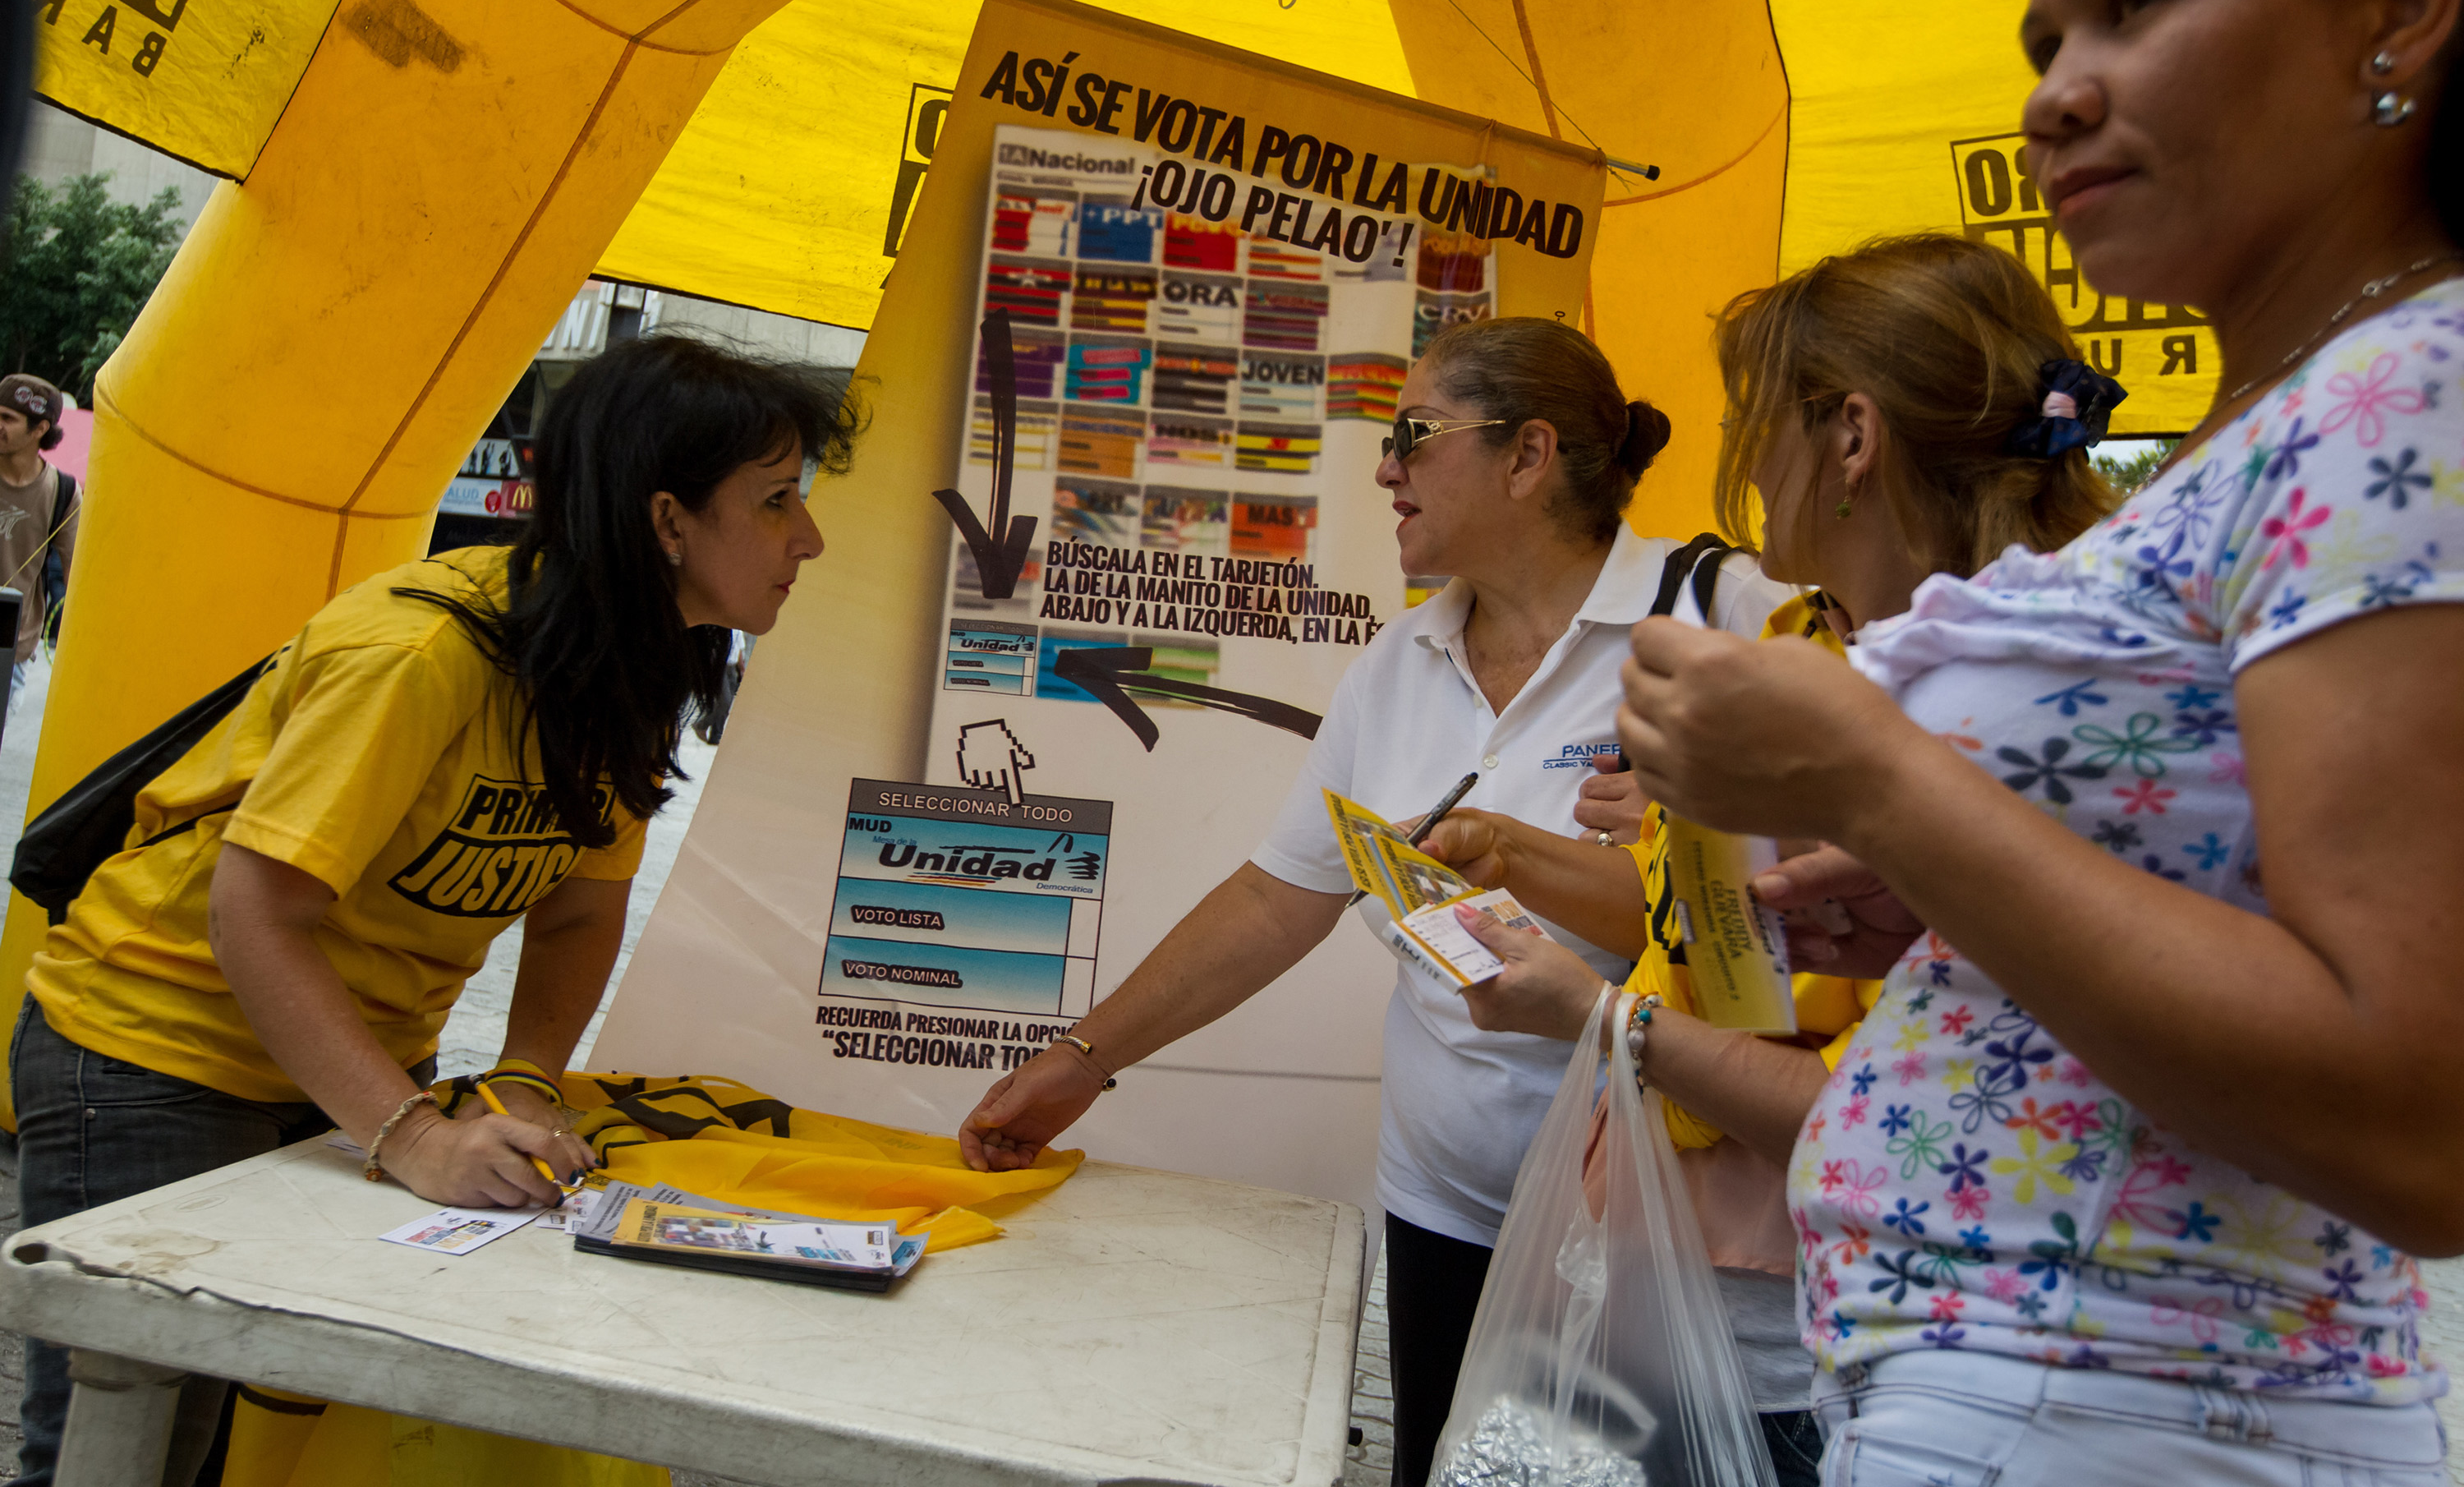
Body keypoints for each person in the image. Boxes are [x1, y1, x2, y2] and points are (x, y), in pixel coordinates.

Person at [1611, 0, 2462, 1479]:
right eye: (2043, 47)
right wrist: (1942, 898)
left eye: (2137, 4)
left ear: (2401, 7)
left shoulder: (2404, 392)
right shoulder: (2288, 412)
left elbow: (2415, 1120)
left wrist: (1879, 777)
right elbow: (2236, 894)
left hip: (2121, 1395)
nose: (2057, 99)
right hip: (2047, 1387)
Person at [10, 334, 861, 1487]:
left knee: (247, 1438)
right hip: (153, 1053)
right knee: (131, 1449)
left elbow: (575, 915)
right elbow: (255, 916)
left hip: (337, 1075)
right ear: (668, 521)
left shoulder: (629, 664)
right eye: (774, 501)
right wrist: (410, 1135)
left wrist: (523, 1079)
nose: (806, 536)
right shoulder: (417, 654)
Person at [956, 315, 1793, 1487]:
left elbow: (1811, 925)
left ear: (1526, 454)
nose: (1384, 468)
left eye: (1412, 434)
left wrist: (1614, 853)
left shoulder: (1728, 619)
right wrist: (1083, 1058)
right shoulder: (1399, 663)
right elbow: (1274, 899)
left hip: (1670, 1243)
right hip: (1449, 1213)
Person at [1416, 234, 2118, 1485]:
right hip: (1654, 1258)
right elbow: (1739, 947)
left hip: (1835, 1334)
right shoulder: (1798, 642)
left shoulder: (2011, 705)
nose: (1735, 454)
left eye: (1752, 414)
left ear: (1849, 438)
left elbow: (1912, 1114)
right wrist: (1562, 864)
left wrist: (1596, 1018)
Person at [0, 374, 77, 702]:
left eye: (7, 418)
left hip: (10, 649)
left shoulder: (63, 492)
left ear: (40, 429)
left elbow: (79, 575)